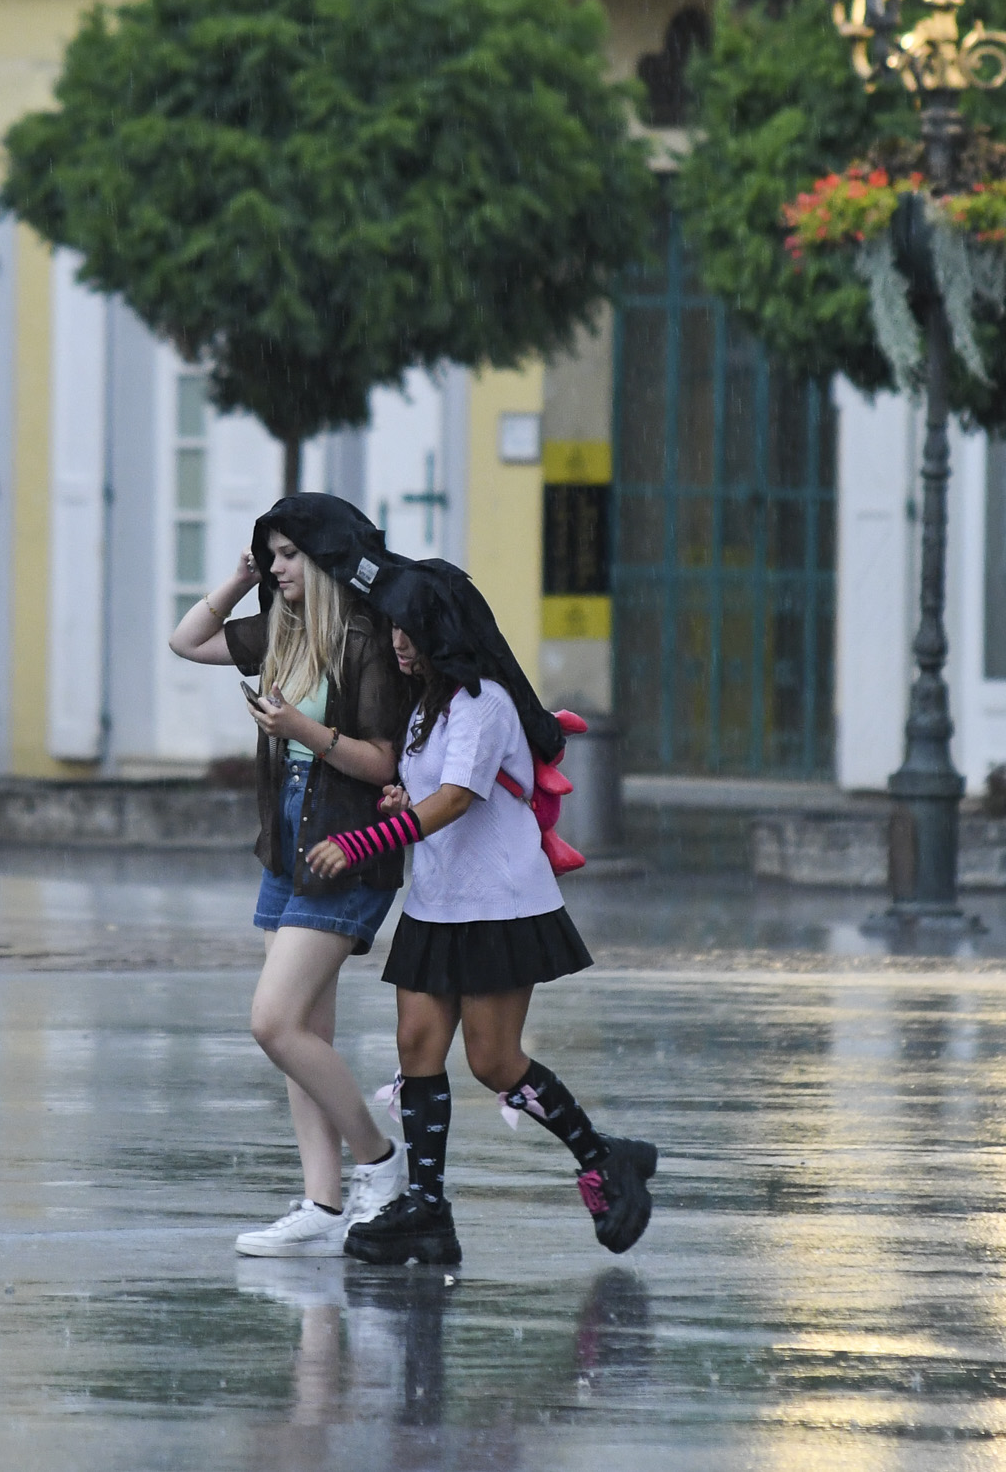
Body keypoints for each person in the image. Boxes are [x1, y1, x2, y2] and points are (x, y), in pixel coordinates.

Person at [303, 557, 656, 1267]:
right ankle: (429, 1212)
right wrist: (406, 802)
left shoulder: (482, 702)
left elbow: (460, 798)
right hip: (437, 901)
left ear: (443, 629)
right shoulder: (425, 707)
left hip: (498, 904)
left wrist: (368, 839)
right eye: (393, 627)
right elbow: (434, 791)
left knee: (495, 1062)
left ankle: (602, 1157)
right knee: (416, 1047)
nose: (397, 641)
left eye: (410, 628)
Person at [168, 493, 413, 1256]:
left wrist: (302, 729)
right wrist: (242, 577)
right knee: (306, 1029)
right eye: (269, 555)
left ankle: (380, 1159)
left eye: (287, 555)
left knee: (272, 1022)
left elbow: (383, 762)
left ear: (325, 558)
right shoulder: (284, 630)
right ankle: (323, 1203)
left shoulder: (365, 641)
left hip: (348, 843)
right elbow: (187, 640)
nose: (277, 567)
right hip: (290, 837)